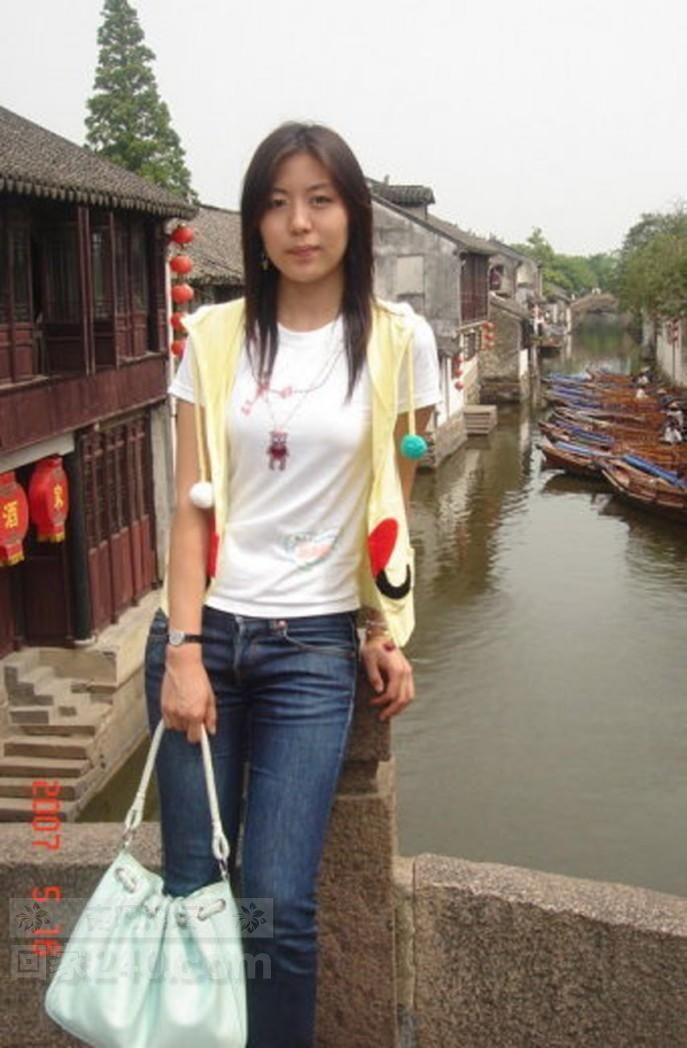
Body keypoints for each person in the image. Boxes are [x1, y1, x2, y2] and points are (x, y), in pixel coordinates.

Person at [144, 121, 440, 1048]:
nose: (298, 224)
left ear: (352, 214)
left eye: (319, 200)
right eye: (276, 204)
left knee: (276, 896)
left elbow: (392, 505)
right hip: (207, 632)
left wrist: (378, 629)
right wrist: (183, 649)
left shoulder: (399, 340)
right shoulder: (212, 335)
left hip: (312, 647)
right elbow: (190, 507)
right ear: (253, 223)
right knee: (193, 884)